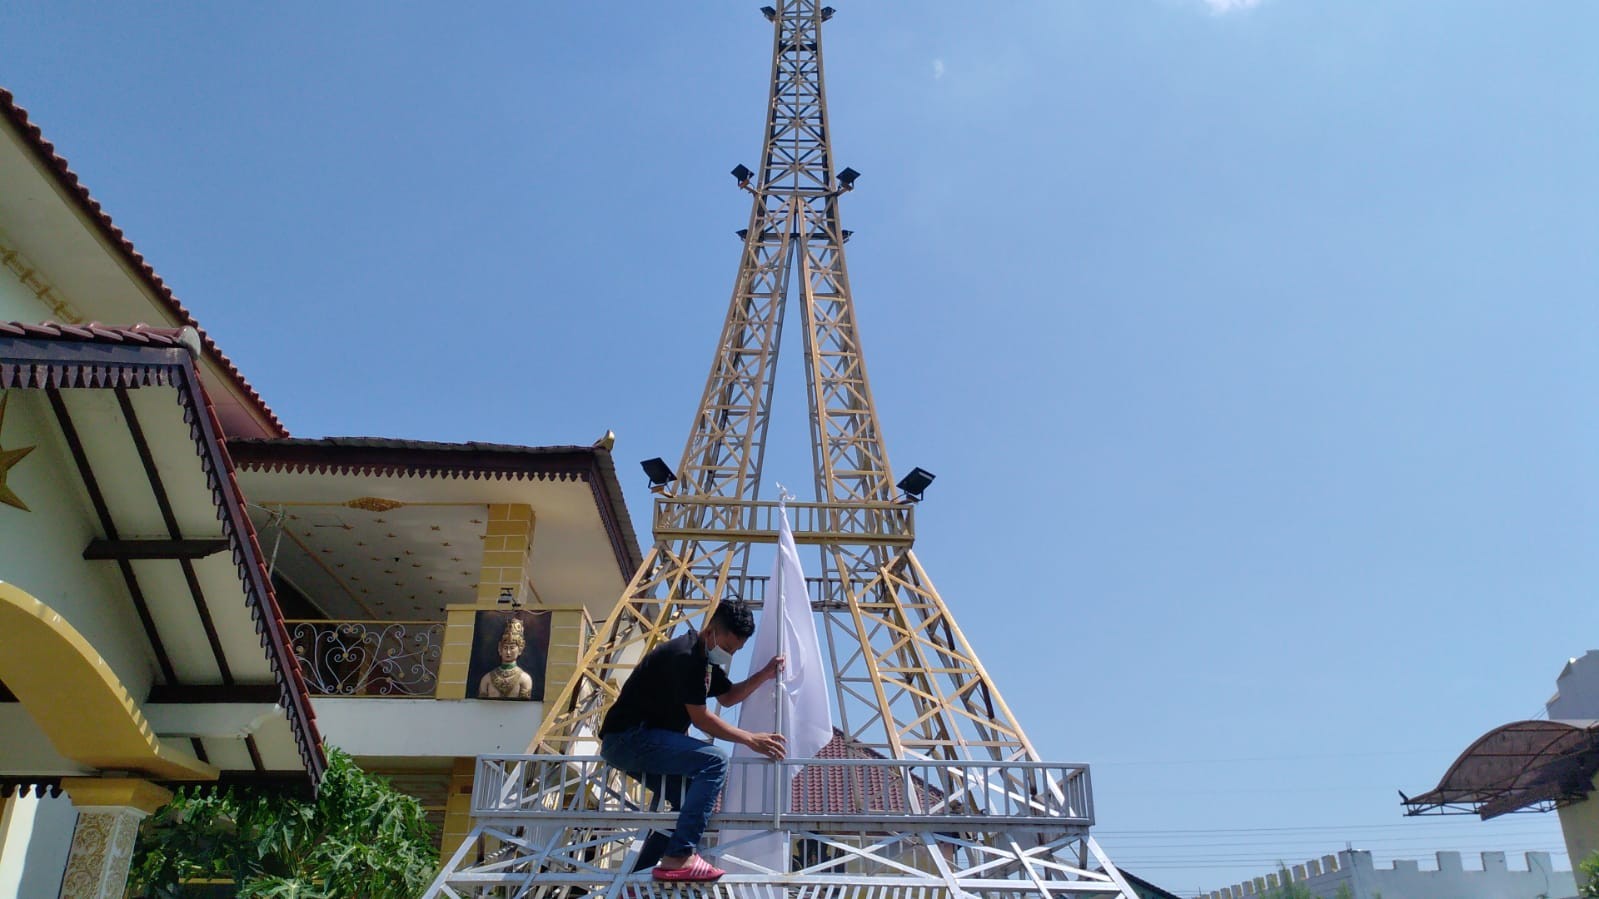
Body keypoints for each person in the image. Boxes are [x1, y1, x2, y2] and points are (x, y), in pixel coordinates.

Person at [599, 601, 787, 882]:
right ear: (711, 631)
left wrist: (765, 674)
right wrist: (749, 739)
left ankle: (643, 873)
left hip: (635, 741)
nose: (729, 654)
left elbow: (728, 696)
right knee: (715, 761)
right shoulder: (686, 657)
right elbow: (701, 719)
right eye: (728, 647)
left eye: (735, 651)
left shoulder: (705, 662)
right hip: (629, 738)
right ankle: (680, 856)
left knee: (687, 800)